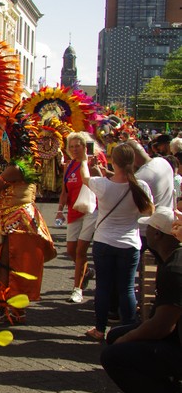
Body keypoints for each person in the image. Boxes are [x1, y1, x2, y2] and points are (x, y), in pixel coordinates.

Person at [100, 206, 182, 393]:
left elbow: (162, 327)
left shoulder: (174, 268)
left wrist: (127, 339)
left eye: (149, 229)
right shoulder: (172, 260)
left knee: (114, 355)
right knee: (115, 336)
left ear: (157, 234)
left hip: (176, 342)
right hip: (175, 337)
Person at [0, 115, 57, 324]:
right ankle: (10, 311)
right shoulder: (20, 166)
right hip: (15, 221)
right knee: (8, 265)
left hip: (20, 223)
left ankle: (5, 312)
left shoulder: (16, 169)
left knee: (11, 267)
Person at [85, 143, 154, 340]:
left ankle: (99, 329)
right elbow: (148, 211)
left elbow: (85, 178)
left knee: (103, 287)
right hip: (129, 243)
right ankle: (129, 332)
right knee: (127, 289)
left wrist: (87, 164)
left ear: (113, 161)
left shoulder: (102, 184)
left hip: (104, 241)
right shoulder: (140, 187)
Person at [57, 132, 98, 303]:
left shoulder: (92, 163)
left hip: (90, 211)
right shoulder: (68, 166)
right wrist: (60, 210)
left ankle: (77, 290)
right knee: (71, 250)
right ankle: (86, 271)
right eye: (71, 146)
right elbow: (65, 191)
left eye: (77, 146)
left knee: (81, 250)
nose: (74, 149)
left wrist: (94, 167)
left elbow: (102, 184)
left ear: (84, 147)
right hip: (74, 211)